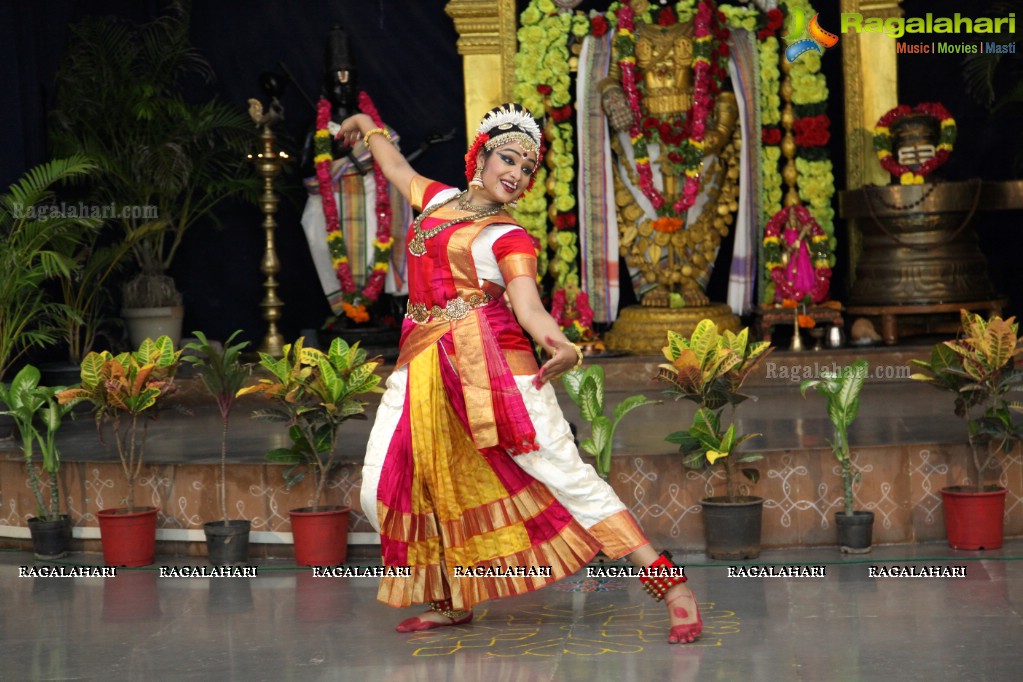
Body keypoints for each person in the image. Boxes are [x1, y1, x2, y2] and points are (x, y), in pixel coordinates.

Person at [337, 103, 702, 644]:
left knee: (566, 475)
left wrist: (562, 345)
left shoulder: (510, 237)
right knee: (382, 490)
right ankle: (453, 597)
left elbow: (529, 309)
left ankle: (673, 588)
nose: (516, 174)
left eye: (527, 169)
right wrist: (367, 126)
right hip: (421, 363)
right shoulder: (437, 199)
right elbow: (393, 166)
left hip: (496, 370)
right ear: (480, 157)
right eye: (508, 159)